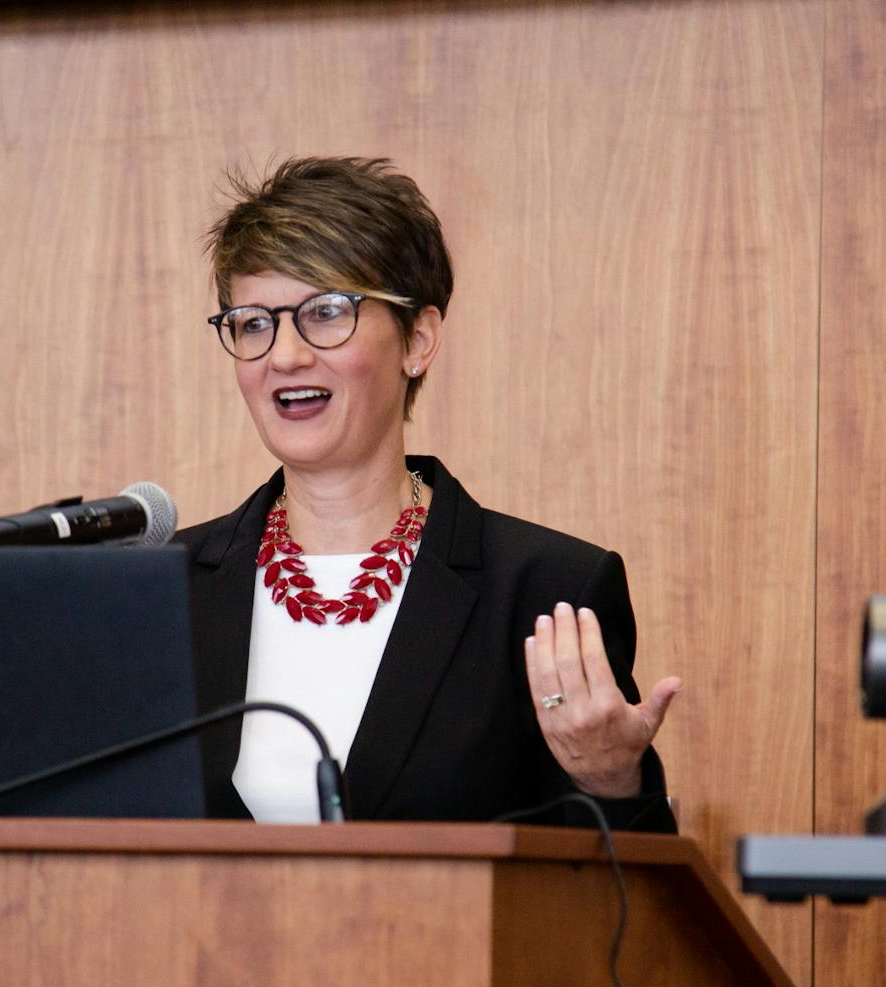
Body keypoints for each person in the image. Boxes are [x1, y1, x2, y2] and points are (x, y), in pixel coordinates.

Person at [176, 156, 680, 830]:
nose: (285, 355)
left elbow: (614, 909)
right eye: (254, 323)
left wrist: (613, 781)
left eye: (326, 313)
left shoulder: (542, 594)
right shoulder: (165, 590)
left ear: (418, 339)